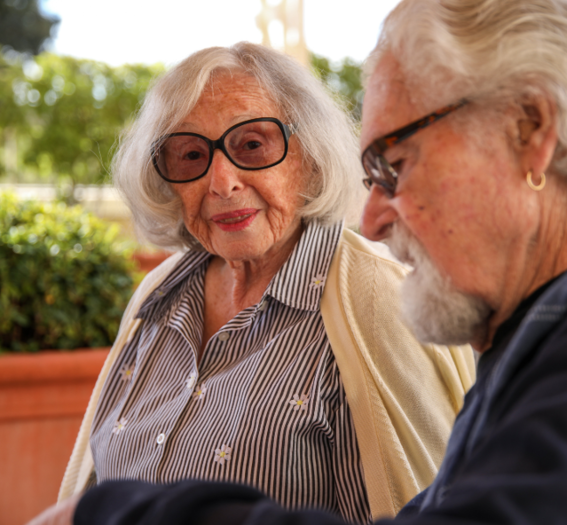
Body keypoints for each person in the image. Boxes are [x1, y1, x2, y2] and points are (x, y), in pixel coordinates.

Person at [34, 0, 567, 523]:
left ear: (531, 129)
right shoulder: (566, 316)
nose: (373, 213)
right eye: (190, 157)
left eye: (395, 164)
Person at [31, 42, 475, 524]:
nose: (222, 182)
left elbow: (432, 503)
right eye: (190, 155)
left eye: (252, 145)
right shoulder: (158, 294)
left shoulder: (378, 297)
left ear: (308, 154)